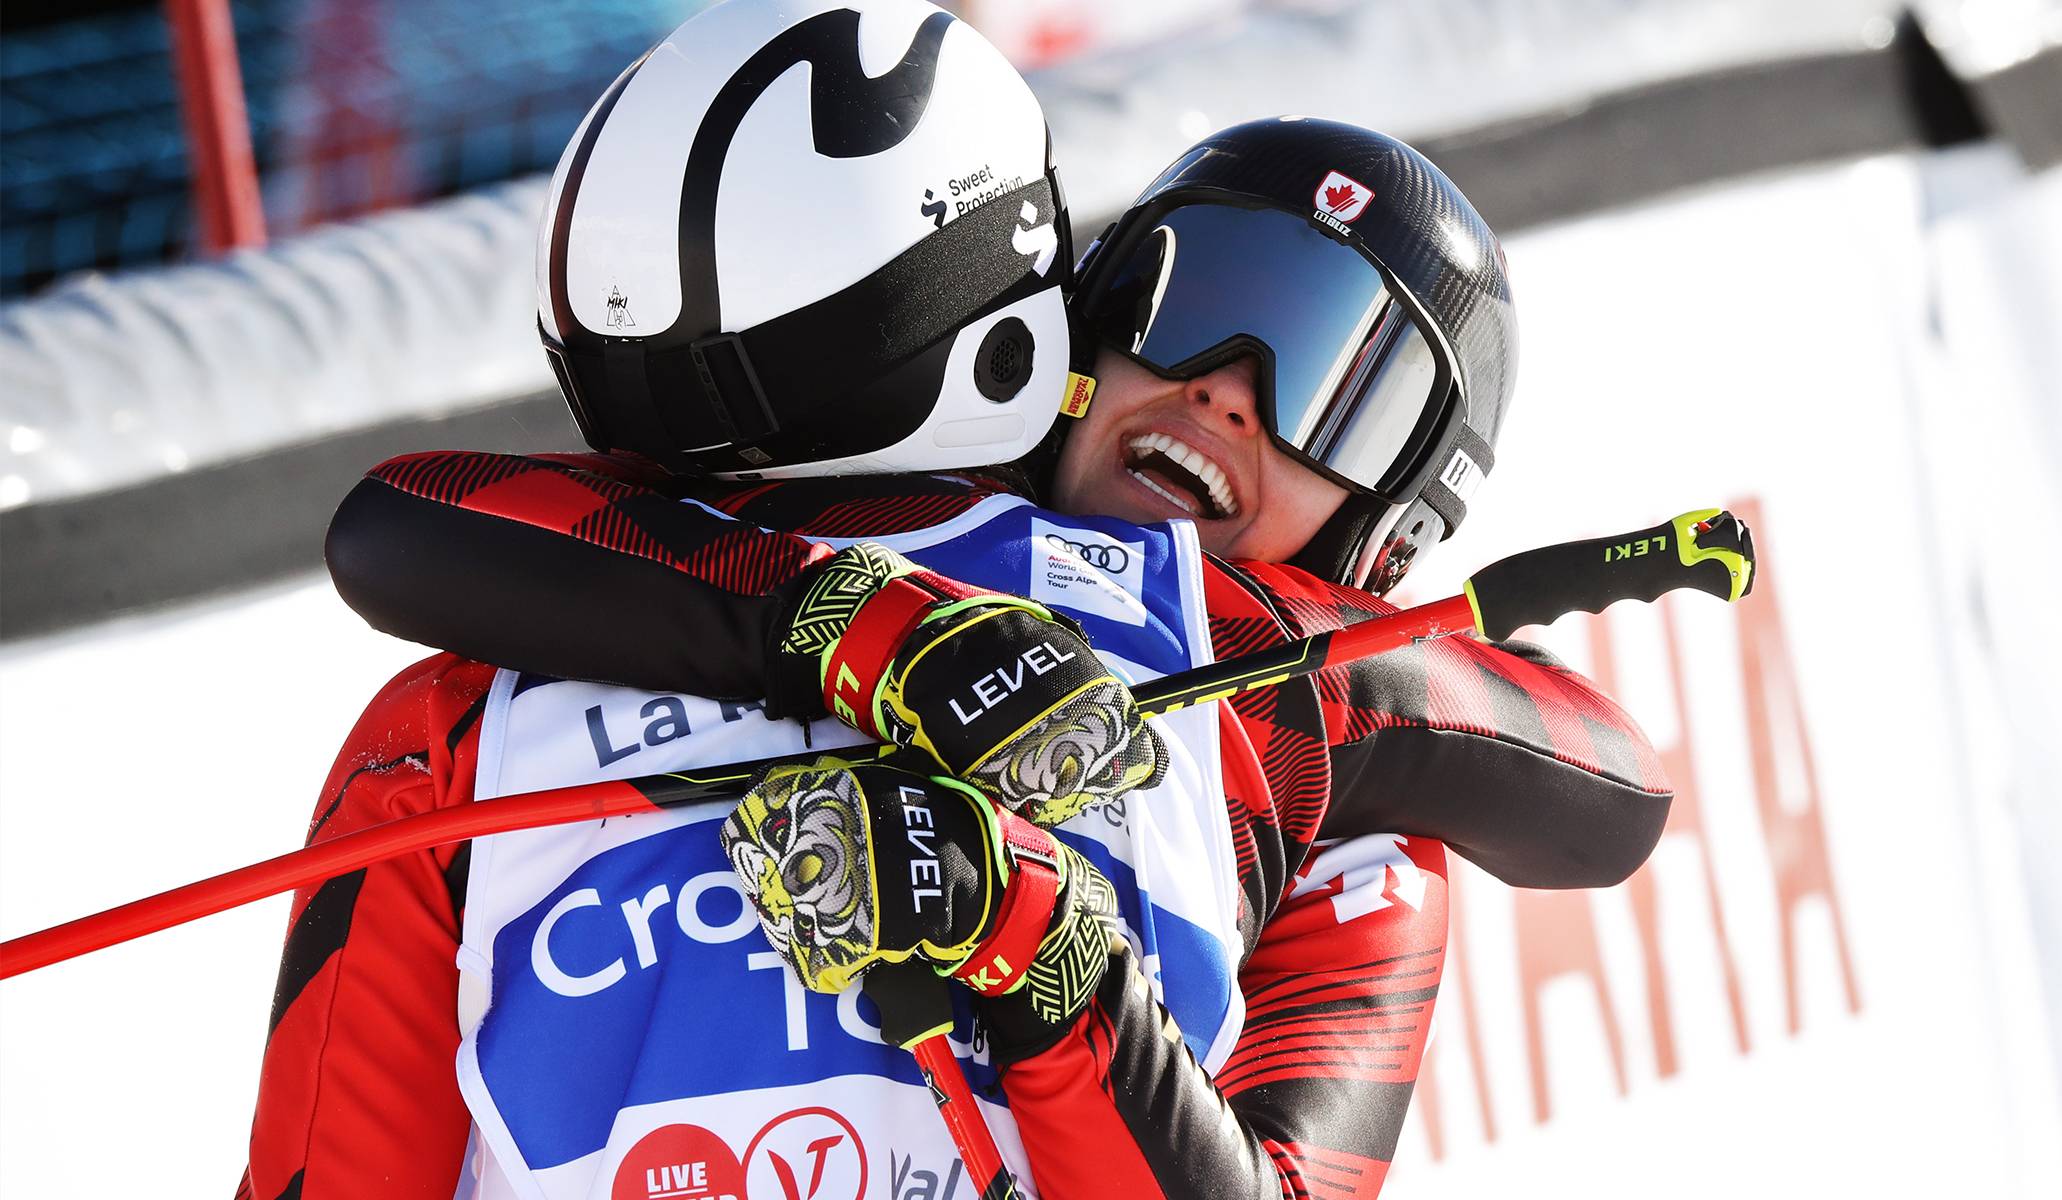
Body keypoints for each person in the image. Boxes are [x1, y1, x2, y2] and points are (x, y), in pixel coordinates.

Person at [241, 4, 1670, 1197]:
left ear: (1390, 524)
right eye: (1186, 305)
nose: (1228, 388)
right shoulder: (483, 693)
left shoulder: (1327, 792)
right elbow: (399, 519)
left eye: (1331, 391)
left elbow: (1613, 786)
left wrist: (1037, 947)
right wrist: (883, 636)